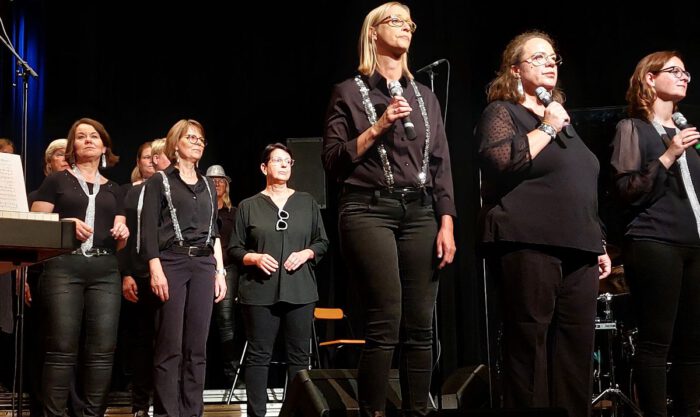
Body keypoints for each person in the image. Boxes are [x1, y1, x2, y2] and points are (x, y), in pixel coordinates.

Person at [321, 3, 456, 416]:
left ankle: (418, 410)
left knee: (421, 323)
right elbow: (333, 160)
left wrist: (447, 221)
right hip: (368, 209)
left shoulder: (425, 96)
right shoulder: (348, 92)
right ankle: (373, 411)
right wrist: (379, 126)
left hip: (420, 211)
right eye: (396, 21)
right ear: (373, 31)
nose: (406, 28)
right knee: (386, 317)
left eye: (409, 22)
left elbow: (441, 164)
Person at [474, 31, 611, 417]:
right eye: (538, 57)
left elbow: (579, 182)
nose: (550, 63)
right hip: (527, 241)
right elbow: (500, 162)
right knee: (529, 345)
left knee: (576, 351)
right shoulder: (503, 112)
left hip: (580, 245)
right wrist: (547, 128)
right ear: (515, 70)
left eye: (553, 58)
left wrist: (599, 240)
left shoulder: (563, 120)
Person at [611, 51, 700, 417]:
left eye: (686, 72)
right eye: (674, 70)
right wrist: (667, 156)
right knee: (656, 341)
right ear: (649, 78)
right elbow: (626, 190)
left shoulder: (686, 132)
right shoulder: (633, 128)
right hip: (655, 241)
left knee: (692, 344)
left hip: (694, 244)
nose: (684, 77)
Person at [30, 117, 129, 417]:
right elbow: (34, 226)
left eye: (94, 136)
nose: (88, 140)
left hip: (105, 269)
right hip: (64, 267)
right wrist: (65, 224)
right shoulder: (56, 181)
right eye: (81, 136)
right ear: (72, 146)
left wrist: (123, 234)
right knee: (61, 348)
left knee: (102, 351)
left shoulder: (115, 189)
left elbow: (121, 242)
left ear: (104, 147)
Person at [229, 143, 328, 417]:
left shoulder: (307, 202)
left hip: (300, 289)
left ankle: (296, 413)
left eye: (288, 161)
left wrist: (307, 253)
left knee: (299, 357)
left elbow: (322, 242)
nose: (284, 165)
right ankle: (257, 414)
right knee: (259, 355)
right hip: (260, 290)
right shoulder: (249, 205)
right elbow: (234, 248)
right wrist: (254, 258)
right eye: (277, 160)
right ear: (264, 168)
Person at [140, 119, 227, 417]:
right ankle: (167, 412)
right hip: (172, 262)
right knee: (170, 345)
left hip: (203, 264)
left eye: (201, 139)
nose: (198, 143)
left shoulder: (207, 185)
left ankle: (192, 412)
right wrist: (155, 268)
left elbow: (214, 232)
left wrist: (220, 271)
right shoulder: (160, 181)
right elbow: (148, 229)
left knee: (197, 347)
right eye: (191, 137)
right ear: (175, 144)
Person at [118, 140, 158, 417]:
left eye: (156, 157)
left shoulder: (172, 191)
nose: (152, 162)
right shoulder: (129, 193)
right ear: (138, 162)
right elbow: (124, 239)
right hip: (139, 274)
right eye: (146, 158)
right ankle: (140, 404)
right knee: (141, 341)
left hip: (169, 273)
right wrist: (127, 273)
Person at [205, 164, 241, 386]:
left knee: (226, 321)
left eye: (221, 180)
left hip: (227, 270)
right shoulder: (199, 210)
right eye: (212, 180)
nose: (217, 183)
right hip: (201, 269)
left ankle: (232, 376)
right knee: (198, 323)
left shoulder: (234, 213)